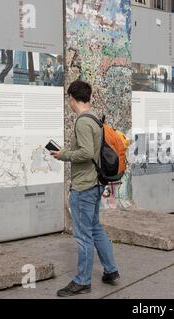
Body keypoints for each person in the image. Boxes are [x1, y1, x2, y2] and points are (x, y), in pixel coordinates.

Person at [51, 80, 120, 297]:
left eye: (68, 100)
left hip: (84, 186)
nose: (69, 104)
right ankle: (111, 270)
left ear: (72, 98)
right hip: (97, 183)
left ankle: (82, 281)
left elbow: (86, 153)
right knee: (95, 228)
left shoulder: (82, 121)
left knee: (83, 236)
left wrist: (63, 155)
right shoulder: (96, 118)